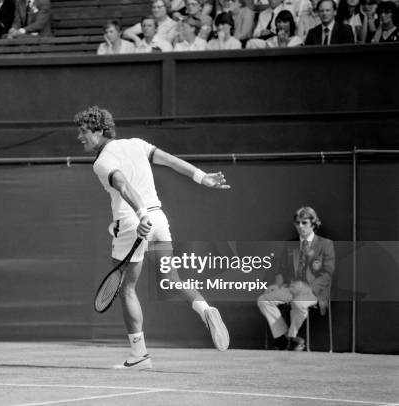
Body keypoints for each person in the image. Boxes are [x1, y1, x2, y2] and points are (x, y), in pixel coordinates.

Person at [73, 106, 230, 369]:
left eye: (84, 131)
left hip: (134, 221)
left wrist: (139, 213)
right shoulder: (137, 144)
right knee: (171, 279)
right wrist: (202, 178)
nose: (80, 137)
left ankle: (139, 355)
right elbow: (169, 160)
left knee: (127, 288)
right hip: (159, 218)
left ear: (99, 131)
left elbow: (123, 185)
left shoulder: (101, 163)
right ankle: (205, 310)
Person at [258, 206, 335, 351]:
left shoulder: (325, 244)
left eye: (304, 222)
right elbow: (280, 269)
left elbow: (327, 273)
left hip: (313, 291)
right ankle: (282, 338)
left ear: (313, 223)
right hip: (290, 288)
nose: (300, 226)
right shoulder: (290, 244)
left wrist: (308, 288)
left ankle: (292, 337)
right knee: (263, 300)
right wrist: (276, 284)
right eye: (297, 223)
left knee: (299, 304)